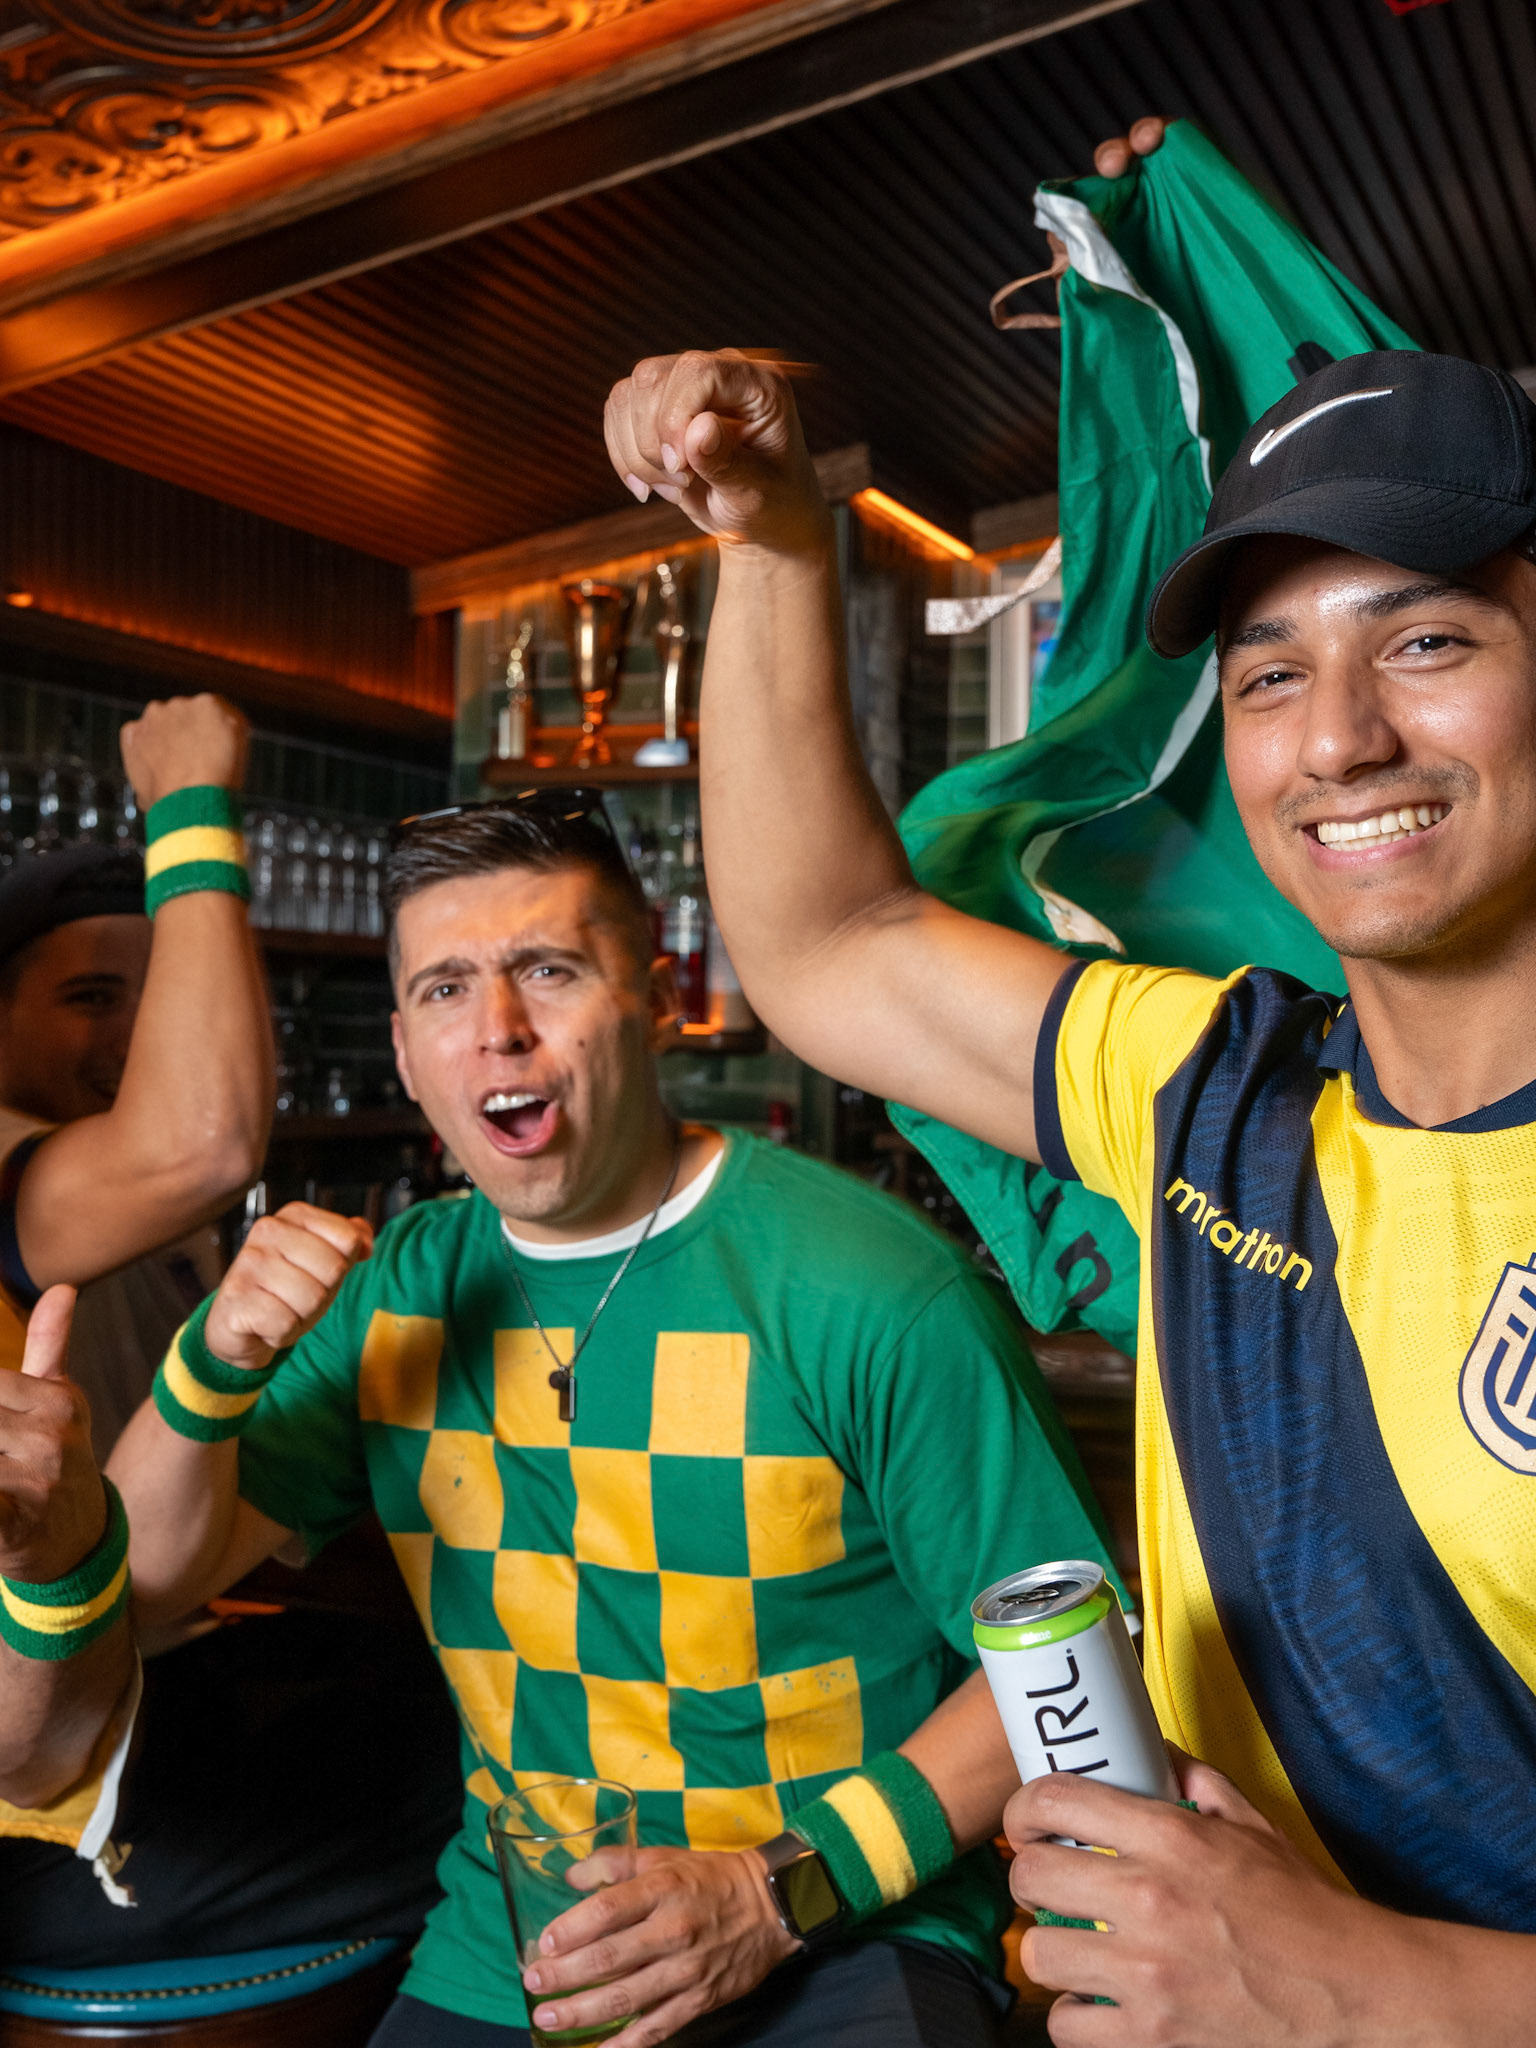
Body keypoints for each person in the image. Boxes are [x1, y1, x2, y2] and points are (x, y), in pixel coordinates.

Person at [599, 199, 1536, 2048]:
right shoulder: (1212, 1085)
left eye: (1425, 639)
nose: (1334, 739)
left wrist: (1371, 1985)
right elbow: (825, 943)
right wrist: (774, 536)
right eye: (1268, 673)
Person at [109, 796, 1127, 2048]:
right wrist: (211, 1361)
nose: (499, 1027)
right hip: (522, 1949)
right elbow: (144, 1582)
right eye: (445, 988)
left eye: (549, 969)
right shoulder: (394, 1294)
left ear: (657, 999)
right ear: (407, 1050)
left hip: (845, 1930)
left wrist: (771, 1893)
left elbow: (1069, 1666)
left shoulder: (866, 1286)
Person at [0, 700, 461, 1967]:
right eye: (90, 997)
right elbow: (205, 1142)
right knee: (505, 1782)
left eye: (158, 996)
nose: (140, 1035)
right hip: (57, 1800)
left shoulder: (97, 1200)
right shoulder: (27, 1169)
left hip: (123, 1691)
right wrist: (193, 805)